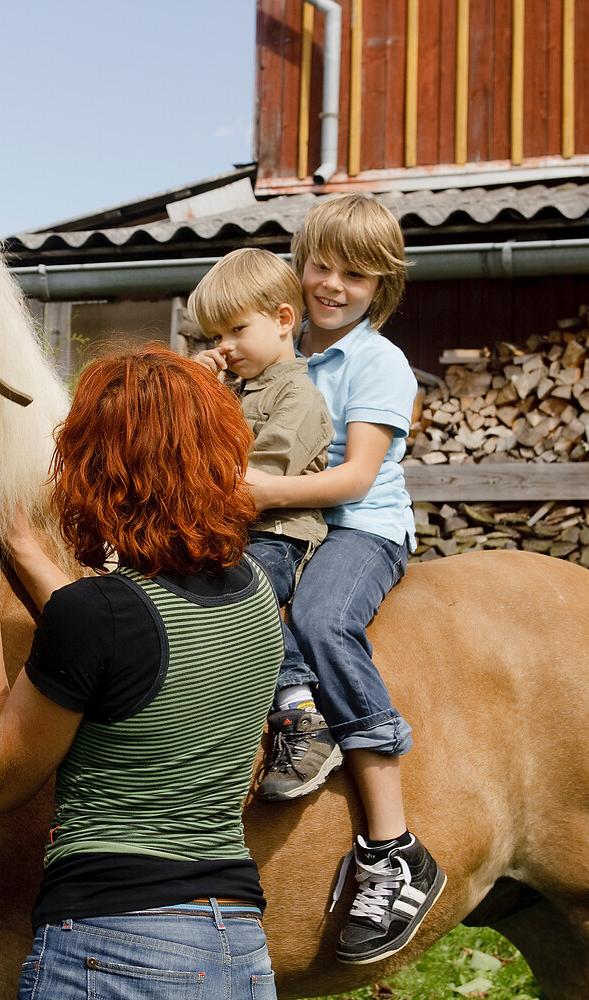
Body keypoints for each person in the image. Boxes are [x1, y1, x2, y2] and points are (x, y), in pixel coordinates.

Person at [0, 346, 284, 1000]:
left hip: (116, 948)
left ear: (97, 470)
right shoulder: (254, 591)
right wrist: (26, 551)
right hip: (238, 947)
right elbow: (125, 640)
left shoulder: (101, 616)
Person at [242, 194, 446, 964]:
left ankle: (394, 846)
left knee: (321, 621)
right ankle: (288, 711)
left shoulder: (376, 361)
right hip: (288, 524)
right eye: (321, 265)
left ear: (379, 287)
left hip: (360, 528)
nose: (331, 284)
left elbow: (357, 477)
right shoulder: (278, 351)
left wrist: (257, 491)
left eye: (354, 275)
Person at [188, 248, 342, 801]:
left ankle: (301, 711)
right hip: (226, 530)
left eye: (235, 329)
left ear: (282, 320)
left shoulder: (299, 396)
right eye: (213, 335)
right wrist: (196, 389)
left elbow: (261, 476)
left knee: (241, 589)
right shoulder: (230, 390)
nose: (223, 346)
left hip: (276, 534)